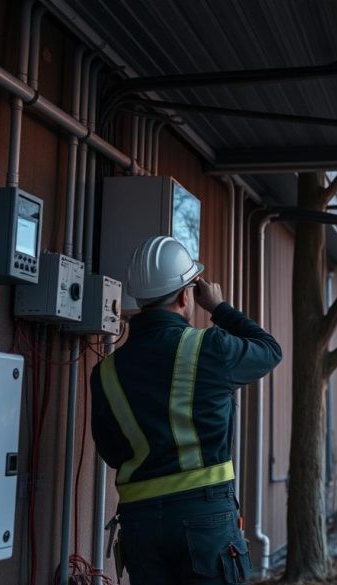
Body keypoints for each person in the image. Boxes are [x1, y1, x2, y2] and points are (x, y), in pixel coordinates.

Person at [91, 235, 282, 584]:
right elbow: (269, 350)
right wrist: (220, 308)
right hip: (205, 516)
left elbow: (112, 451)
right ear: (185, 295)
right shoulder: (210, 347)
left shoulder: (106, 370)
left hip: (140, 522)